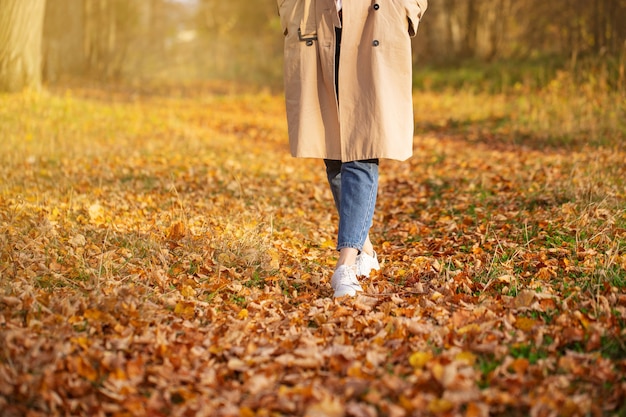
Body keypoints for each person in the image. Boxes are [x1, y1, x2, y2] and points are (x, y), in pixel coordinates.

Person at [277, 0, 427, 297]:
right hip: (318, 26)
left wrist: (406, 11)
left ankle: (345, 264)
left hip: (374, 25)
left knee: (361, 148)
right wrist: (289, 10)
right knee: (333, 152)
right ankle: (366, 251)